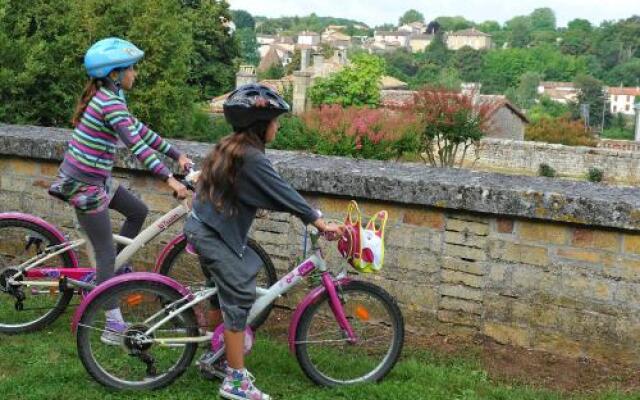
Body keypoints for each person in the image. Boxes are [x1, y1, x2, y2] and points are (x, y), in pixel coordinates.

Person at [184, 84, 343, 400]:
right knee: (240, 295)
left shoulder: (230, 146)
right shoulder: (253, 158)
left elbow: (239, 188)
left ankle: (213, 357)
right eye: (275, 121)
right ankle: (236, 382)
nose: (278, 126)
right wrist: (318, 220)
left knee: (219, 293)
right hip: (213, 235)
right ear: (261, 125)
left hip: (203, 227)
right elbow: (282, 191)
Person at [48, 37, 191, 344]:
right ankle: (112, 326)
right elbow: (136, 146)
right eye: (131, 68)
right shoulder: (108, 102)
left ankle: (109, 274)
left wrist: (177, 155)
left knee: (137, 211)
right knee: (103, 253)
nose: (135, 74)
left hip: (98, 180)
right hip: (84, 185)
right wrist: (170, 179)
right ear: (115, 73)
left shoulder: (113, 97)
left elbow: (140, 130)